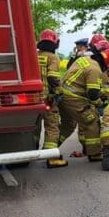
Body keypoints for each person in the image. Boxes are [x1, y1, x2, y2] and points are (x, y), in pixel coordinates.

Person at [58, 44, 109, 162]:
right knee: (92, 120)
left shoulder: (85, 59)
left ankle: (50, 150)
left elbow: (81, 82)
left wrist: (100, 94)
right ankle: (95, 154)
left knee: (68, 126)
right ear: (107, 62)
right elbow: (93, 94)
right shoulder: (95, 69)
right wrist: (101, 104)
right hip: (74, 98)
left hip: (63, 95)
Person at [36, 29, 68, 168]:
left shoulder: (35, 56)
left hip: (34, 98)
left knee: (34, 127)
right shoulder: (53, 57)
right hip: (47, 98)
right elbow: (53, 77)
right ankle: (51, 158)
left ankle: (32, 152)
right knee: (52, 126)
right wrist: (58, 92)